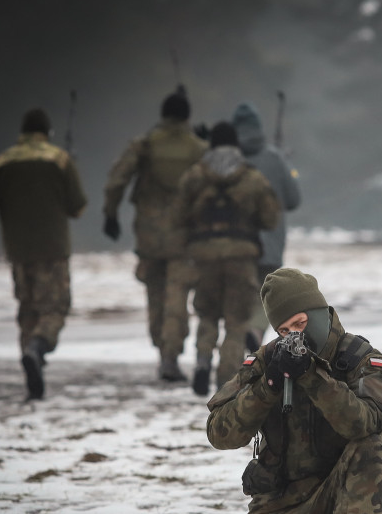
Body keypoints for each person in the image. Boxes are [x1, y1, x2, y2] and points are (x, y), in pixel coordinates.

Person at [206, 268, 382, 514]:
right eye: (283, 330)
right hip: (283, 501)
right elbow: (220, 432)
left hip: (342, 490)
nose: (293, 336)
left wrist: (313, 377)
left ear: (320, 314)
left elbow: (365, 423)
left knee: (372, 450)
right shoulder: (267, 361)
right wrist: (266, 386)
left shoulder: (359, 358)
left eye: (299, 324)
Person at [0, 108, 87, 400]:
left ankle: (31, 367)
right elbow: (78, 208)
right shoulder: (59, 159)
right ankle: (38, 348)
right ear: (47, 132)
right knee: (55, 308)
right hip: (53, 250)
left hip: (18, 252)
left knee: (27, 311)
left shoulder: (2, 162)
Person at [166, 122, 280, 396]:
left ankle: (203, 361)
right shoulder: (252, 178)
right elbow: (270, 218)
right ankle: (226, 381)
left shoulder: (195, 176)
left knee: (206, 313)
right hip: (241, 257)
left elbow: (177, 216)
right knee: (236, 320)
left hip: (204, 256)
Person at [102, 90, 208, 381]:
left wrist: (110, 214)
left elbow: (116, 179)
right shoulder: (197, 149)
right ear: (187, 116)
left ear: (162, 115)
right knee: (177, 297)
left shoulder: (145, 145)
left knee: (155, 295)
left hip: (148, 235)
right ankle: (170, 356)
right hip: (185, 236)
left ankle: (161, 346)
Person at [230, 102, 302, 352]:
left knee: (238, 300)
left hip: (235, 243)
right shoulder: (274, 157)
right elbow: (293, 199)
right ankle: (255, 332)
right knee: (265, 296)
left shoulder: (226, 161)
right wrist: (287, 168)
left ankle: (234, 352)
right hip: (270, 244)